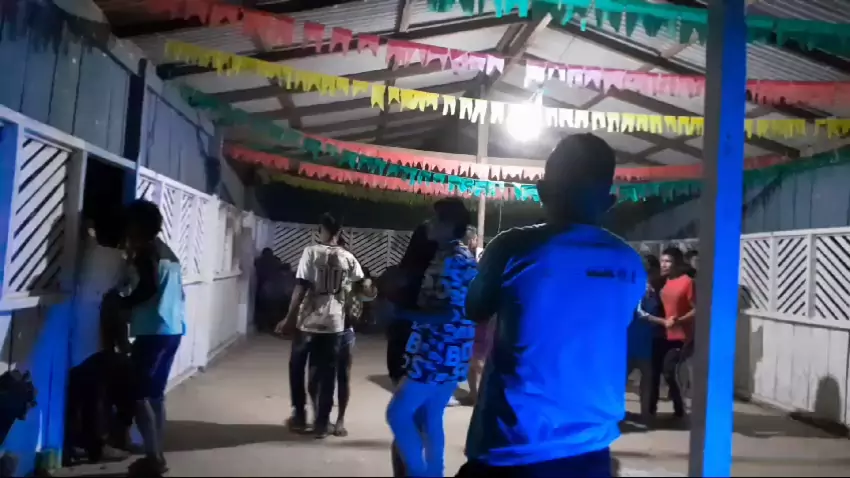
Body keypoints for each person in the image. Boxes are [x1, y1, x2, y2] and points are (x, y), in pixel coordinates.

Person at [459, 133, 646, 478]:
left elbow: (475, 308)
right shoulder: (629, 261)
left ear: (542, 191)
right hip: (592, 449)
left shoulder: (512, 247)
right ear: (609, 201)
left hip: (513, 446)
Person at [386, 198, 478, 478]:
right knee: (431, 416)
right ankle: (434, 472)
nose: (429, 224)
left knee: (398, 413)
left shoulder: (451, 261)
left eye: (435, 219)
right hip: (453, 351)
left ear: (449, 225)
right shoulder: (457, 256)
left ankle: (418, 472)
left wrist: (402, 313)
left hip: (437, 351)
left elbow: (449, 313)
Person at [276, 213, 373, 438]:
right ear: (339, 232)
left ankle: (300, 416)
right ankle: (321, 424)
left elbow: (301, 287)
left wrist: (289, 318)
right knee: (328, 372)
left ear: (323, 230)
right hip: (334, 324)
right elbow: (363, 287)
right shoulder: (348, 257)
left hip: (308, 322)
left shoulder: (311, 252)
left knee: (297, 367)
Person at [112, 199, 186, 477]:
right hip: (172, 330)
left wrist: (124, 303)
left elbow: (149, 287)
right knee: (155, 395)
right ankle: (156, 452)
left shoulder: (147, 252)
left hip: (152, 331)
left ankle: (154, 458)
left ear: (138, 225)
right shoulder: (169, 253)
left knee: (138, 395)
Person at [64, 213, 134, 464]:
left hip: (73, 327)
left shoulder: (85, 252)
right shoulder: (118, 260)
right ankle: (95, 446)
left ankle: (69, 446)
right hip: (96, 333)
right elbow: (124, 294)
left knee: (75, 392)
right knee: (95, 394)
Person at [650, 247, 696, 419]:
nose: (664, 264)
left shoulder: (687, 282)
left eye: (668, 261)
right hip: (661, 333)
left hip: (679, 335)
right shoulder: (661, 282)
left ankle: (679, 406)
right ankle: (650, 409)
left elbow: (697, 309)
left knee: (669, 370)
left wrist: (679, 320)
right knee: (654, 371)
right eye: (662, 261)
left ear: (677, 263)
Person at [628, 254, 666, 423]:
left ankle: (645, 414)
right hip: (633, 338)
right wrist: (662, 322)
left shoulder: (655, 290)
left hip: (643, 339)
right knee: (640, 378)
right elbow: (640, 313)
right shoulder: (638, 287)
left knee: (646, 379)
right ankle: (639, 414)